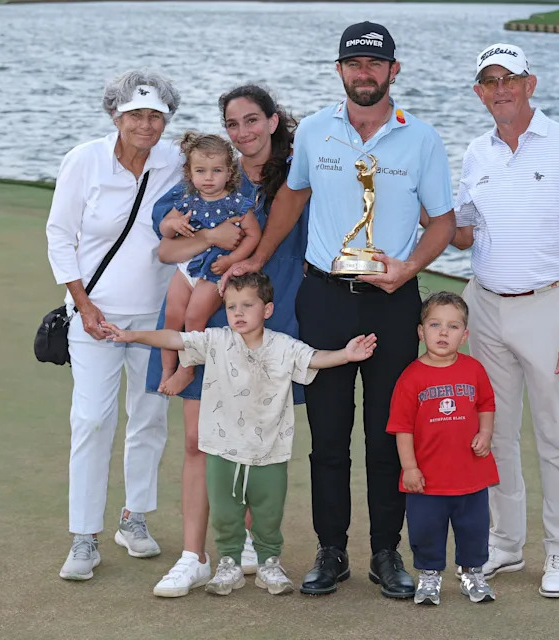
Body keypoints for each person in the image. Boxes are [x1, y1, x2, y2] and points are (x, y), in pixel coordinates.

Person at [222, 22, 456, 599]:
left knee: (387, 432)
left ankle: (384, 552)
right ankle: (330, 551)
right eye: (354, 64)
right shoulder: (316, 133)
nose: (365, 73)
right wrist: (259, 255)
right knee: (328, 435)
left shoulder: (421, 139)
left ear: (394, 71)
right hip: (324, 297)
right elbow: (294, 195)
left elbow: (444, 221)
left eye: (375, 65)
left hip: (393, 299)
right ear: (340, 71)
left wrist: (407, 267)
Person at [428, 42, 559, 598]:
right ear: (479, 93)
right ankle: (506, 543)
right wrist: (417, 206)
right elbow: (463, 231)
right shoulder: (478, 151)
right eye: (490, 81)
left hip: (550, 308)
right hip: (484, 303)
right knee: (493, 433)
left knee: (555, 436)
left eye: (511, 78)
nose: (501, 89)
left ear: (531, 84)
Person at [102, 273, 378, 596]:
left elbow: (314, 358)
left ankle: (269, 564)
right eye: (232, 306)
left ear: (268, 309)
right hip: (223, 450)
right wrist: (131, 334)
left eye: (247, 305)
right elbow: (176, 339)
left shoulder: (283, 347)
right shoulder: (216, 341)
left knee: (268, 513)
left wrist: (346, 354)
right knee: (225, 514)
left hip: (269, 451)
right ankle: (229, 564)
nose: (238, 313)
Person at [144, 85, 310, 597]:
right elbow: (168, 247)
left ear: (274, 121)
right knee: (198, 443)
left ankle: (246, 547)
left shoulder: (301, 176)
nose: (243, 132)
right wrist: (210, 239)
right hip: (205, 327)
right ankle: (194, 555)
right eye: (233, 123)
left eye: (252, 120)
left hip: (270, 330)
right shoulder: (211, 176)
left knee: (253, 445)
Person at [45, 69, 184, 581]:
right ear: (115, 115)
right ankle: (84, 537)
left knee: (149, 418)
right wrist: (83, 304)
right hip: (95, 316)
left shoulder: (176, 161)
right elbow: (60, 235)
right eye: (135, 115)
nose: (146, 125)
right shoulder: (84, 160)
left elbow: (216, 190)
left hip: (156, 316)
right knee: (92, 419)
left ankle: (135, 518)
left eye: (156, 116)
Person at [386, 292, 498, 606]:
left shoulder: (474, 370)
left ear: (464, 335)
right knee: (425, 530)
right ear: (421, 332)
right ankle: (429, 576)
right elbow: (402, 427)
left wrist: (485, 432)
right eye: (435, 324)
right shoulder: (411, 377)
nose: (443, 332)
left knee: (474, 529)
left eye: (452, 326)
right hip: (427, 480)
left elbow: (487, 404)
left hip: (470, 475)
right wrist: (409, 467)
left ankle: (473, 574)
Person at [157, 133, 259, 396]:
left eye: (217, 171)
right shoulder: (188, 200)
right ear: (190, 174)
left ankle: (187, 368)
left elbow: (253, 235)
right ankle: (167, 369)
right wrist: (173, 225)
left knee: (193, 317)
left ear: (229, 172)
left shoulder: (236, 203)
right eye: (201, 171)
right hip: (187, 266)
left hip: (215, 271)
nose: (209, 178)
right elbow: (165, 228)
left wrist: (233, 260)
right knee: (172, 316)